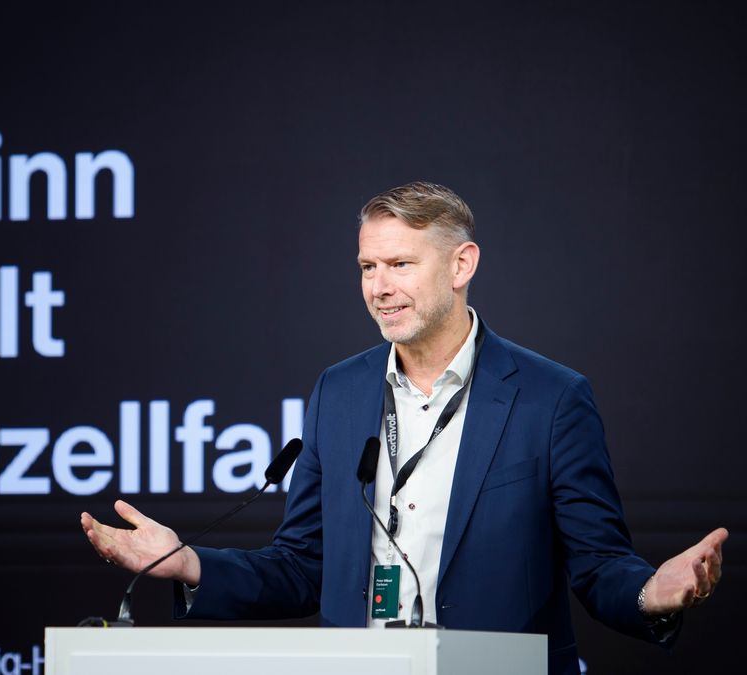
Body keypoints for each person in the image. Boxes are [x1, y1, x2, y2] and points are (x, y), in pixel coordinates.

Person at [80, 182, 727, 675]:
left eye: (400, 265)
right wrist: (187, 563)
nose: (379, 287)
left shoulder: (550, 398)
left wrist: (650, 591)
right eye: (368, 267)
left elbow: (597, 564)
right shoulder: (340, 390)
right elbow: (302, 567)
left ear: (461, 264)